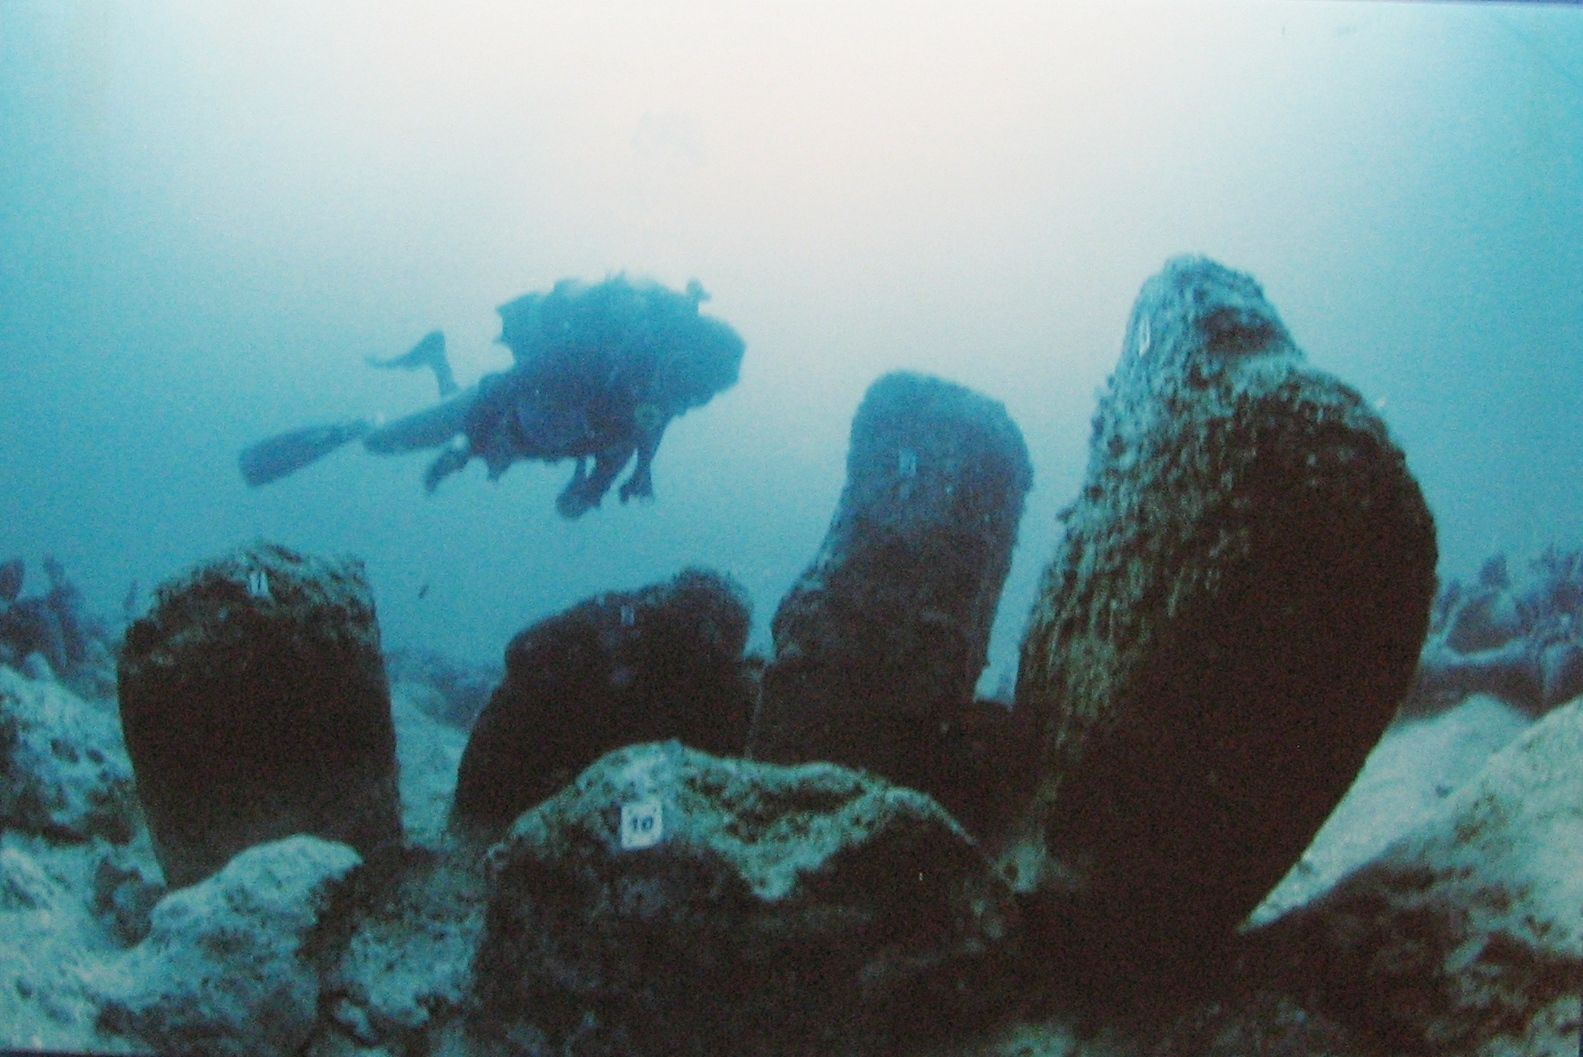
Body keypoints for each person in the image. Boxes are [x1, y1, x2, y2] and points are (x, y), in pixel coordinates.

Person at [242, 275, 745, 519]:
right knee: (383, 444)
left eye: (701, 393)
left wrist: (591, 491)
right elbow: (503, 390)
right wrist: (461, 450)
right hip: (496, 414)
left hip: (529, 438)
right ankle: (357, 425)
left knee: (475, 427)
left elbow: (627, 442)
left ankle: (437, 356)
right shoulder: (588, 357)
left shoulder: (655, 402)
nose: (682, 397)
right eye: (684, 376)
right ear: (668, 350)